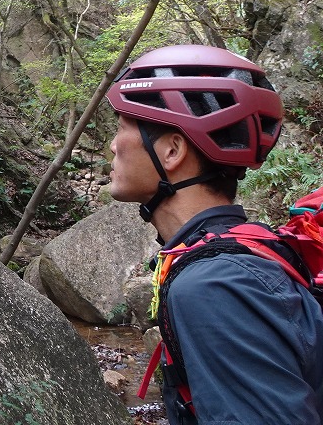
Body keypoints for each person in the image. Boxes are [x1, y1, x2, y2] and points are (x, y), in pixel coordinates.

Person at [105, 44, 323, 425]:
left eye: (123, 126)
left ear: (172, 151)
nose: (112, 144)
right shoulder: (249, 248)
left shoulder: (214, 286)